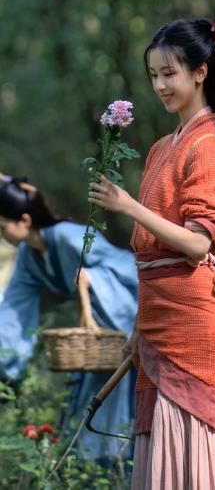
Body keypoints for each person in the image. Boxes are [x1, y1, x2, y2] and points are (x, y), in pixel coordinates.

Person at [88, 18, 215, 488]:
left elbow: (199, 242)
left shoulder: (213, 146)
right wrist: (140, 327)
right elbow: (152, 259)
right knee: (159, 437)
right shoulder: (162, 147)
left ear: (200, 72)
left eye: (169, 73)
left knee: (195, 432)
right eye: (153, 75)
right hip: (157, 313)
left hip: (191, 317)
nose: (160, 85)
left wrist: (128, 206)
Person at [0, 175, 138, 462]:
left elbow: (124, 265)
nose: (2, 235)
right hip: (91, 342)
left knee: (117, 400)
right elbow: (15, 304)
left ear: (24, 220)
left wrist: (94, 279)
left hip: (119, 323)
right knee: (88, 400)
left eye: (3, 227)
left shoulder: (66, 235)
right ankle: (89, 466)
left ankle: (118, 464)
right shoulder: (28, 254)